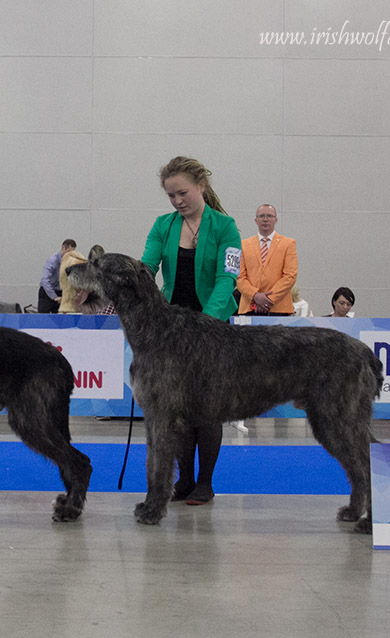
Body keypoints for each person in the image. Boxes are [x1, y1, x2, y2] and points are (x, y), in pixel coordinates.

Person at [141, 156, 241, 506]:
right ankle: (183, 479)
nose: (177, 201)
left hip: (212, 329)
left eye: (182, 193)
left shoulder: (225, 227)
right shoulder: (162, 226)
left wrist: (207, 322)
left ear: (201, 185)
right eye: (170, 196)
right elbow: (147, 269)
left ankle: (205, 482)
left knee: (207, 408)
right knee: (176, 409)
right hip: (172, 331)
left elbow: (227, 279)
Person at [236, 204, 298, 315]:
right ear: (256, 220)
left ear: (276, 220)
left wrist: (269, 299)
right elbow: (239, 277)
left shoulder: (288, 244)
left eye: (269, 216)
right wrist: (255, 296)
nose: (265, 219)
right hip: (250, 307)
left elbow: (290, 276)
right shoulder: (243, 245)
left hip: (279, 308)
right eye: (262, 216)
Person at [38, 239, 77, 313]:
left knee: (59, 319)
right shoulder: (52, 260)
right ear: (63, 248)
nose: (70, 255)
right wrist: (54, 296)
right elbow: (45, 280)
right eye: (69, 251)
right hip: (47, 292)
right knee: (43, 319)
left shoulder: (70, 263)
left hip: (60, 293)